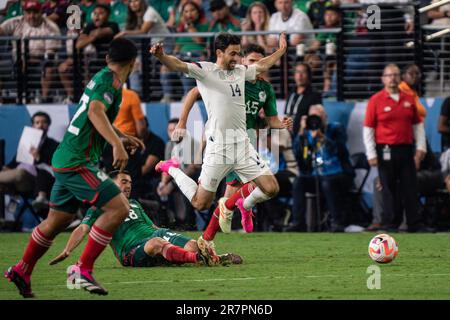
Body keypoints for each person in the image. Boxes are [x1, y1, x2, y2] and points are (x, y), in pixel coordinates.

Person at [4, 38, 144, 298]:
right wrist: (116, 144)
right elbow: (94, 111)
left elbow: (94, 115)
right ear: (134, 64)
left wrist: (121, 136)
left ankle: (22, 269)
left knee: (57, 220)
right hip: (76, 161)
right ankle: (82, 269)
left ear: (107, 59)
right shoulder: (111, 82)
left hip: (66, 157)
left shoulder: (102, 77)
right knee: (119, 207)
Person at [150, 32, 287, 254]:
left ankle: (243, 205)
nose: (237, 58)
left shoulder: (241, 72)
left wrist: (280, 51)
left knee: (271, 188)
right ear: (219, 53)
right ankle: (173, 169)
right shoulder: (205, 71)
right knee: (200, 203)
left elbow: (262, 65)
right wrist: (162, 56)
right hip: (218, 148)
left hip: (242, 145)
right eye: (232, 53)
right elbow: (178, 65)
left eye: (238, 53)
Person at [48, 170, 242, 268]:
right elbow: (83, 229)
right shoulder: (100, 206)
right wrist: (67, 250)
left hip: (154, 236)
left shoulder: (134, 203)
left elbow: (151, 226)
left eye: (130, 183)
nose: (128, 186)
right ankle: (199, 259)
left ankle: (207, 256)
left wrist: (167, 234)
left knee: (193, 244)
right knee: (156, 243)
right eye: (123, 182)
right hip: (132, 250)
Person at [363, 64, 427, 233]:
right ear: (383, 78)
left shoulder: (409, 98)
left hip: (406, 149)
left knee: (410, 186)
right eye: (389, 75)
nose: (392, 78)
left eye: (395, 75)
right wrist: (370, 153)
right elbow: (368, 129)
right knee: (388, 188)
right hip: (385, 150)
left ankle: (414, 224)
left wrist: (420, 148)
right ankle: (390, 224)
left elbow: (417, 125)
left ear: (400, 78)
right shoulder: (376, 100)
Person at [286, 104, 354, 232]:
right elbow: (297, 154)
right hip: (315, 175)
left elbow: (340, 150)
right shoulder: (306, 133)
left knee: (327, 183)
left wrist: (323, 137)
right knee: (299, 182)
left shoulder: (335, 128)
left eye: (319, 116)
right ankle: (298, 222)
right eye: (313, 116)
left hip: (337, 173)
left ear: (325, 117)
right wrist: (301, 131)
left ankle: (337, 223)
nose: (315, 120)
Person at [0, 0, 61, 103]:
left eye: (35, 12)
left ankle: (44, 99)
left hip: (43, 60)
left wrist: (29, 59)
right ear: (24, 13)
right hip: (18, 59)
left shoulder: (50, 26)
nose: (32, 16)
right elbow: (1, 29)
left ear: (41, 12)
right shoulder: (17, 21)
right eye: (29, 13)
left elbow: (51, 53)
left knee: (49, 69)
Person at [59, 3, 120, 101]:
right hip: (94, 62)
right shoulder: (90, 27)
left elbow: (102, 32)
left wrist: (91, 36)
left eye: (101, 13)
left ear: (107, 15)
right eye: (95, 13)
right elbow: (79, 45)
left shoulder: (113, 25)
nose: (97, 16)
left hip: (110, 62)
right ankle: (74, 97)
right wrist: (93, 36)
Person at [0, 112, 59, 211]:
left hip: (34, 180)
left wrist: (38, 157)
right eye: (37, 122)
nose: (40, 125)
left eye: (44, 122)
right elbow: (14, 163)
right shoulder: (26, 142)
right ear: (33, 125)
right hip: (15, 181)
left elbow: (52, 169)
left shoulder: (53, 145)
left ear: (48, 126)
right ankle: (3, 216)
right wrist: (6, 169)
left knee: (20, 173)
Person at [285, 62, 322, 137]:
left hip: (302, 135)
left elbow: (316, 119)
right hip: (286, 134)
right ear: (294, 76)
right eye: (297, 72)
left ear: (309, 76)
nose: (300, 75)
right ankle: (263, 148)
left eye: (303, 72)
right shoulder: (291, 93)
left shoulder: (314, 95)